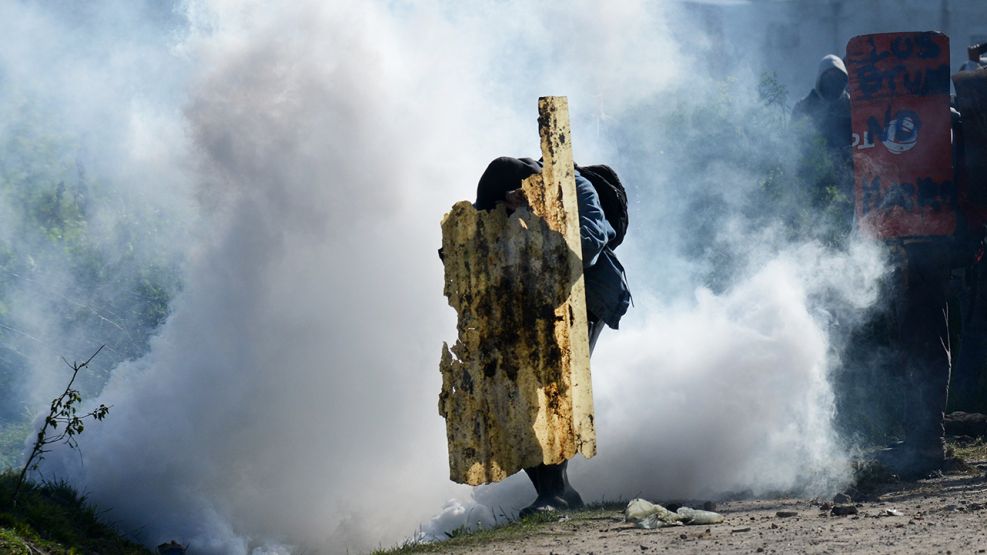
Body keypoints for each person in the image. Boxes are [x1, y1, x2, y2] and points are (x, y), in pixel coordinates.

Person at [474, 156, 631, 516]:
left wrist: (532, 209)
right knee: (517, 398)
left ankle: (557, 494)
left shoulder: (574, 186)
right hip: (530, 300)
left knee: (553, 392)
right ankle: (555, 491)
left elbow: (587, 243)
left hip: (584, 299)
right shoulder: (502, 201)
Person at [792, 54, 854, 228]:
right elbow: (796, 143)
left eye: (838, 78)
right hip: (815, 177)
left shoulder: (852, 106)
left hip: (847, 176)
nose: (833, 83)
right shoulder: (804, 107)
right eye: (829, 78)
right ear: (820, 78)